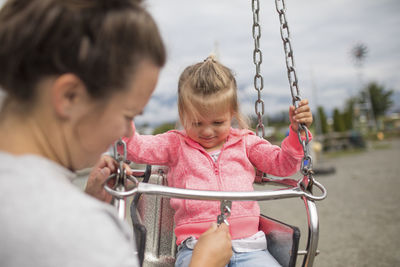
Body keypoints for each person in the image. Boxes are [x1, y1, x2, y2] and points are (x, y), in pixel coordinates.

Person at [0, 1, 232, 267]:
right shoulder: (84, 235)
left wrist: (85, 200)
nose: (125, 132)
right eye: (128, 115)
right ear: (69, 96)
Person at [122, 55, 313, 267]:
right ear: (182, 113)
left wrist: (297, 134)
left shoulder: (245, 142)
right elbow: (135, 148)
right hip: (196, 246)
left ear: (231, 114)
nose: (207, 131)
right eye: (196, 122)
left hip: (250, 247)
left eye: (217, 122)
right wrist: (122, 118)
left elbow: (283, 164)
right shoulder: (175, 144)